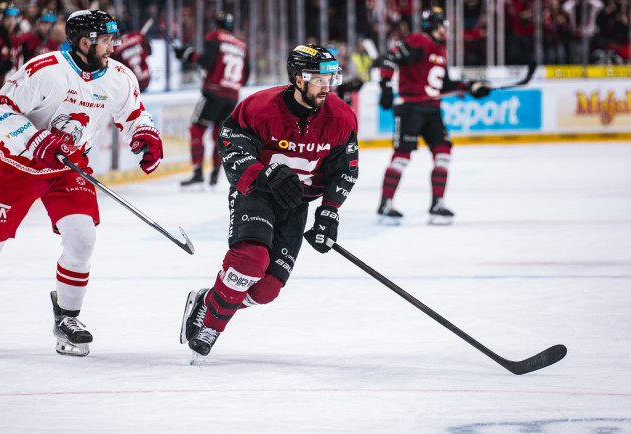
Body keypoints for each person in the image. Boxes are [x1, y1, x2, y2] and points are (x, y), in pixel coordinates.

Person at [0, 9, 164, 357]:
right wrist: (34, 140)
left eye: (112, 38)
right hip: (16, 166)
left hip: (66, 169)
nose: (112, 46)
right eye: (105, 40)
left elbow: (134, 113)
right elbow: (1, 110)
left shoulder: (119, 77)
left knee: (82, 239)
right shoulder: (43, 70)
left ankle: (67, 319)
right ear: (83, 42)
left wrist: (146, 134)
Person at [179, 44, 359, 358]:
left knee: (266, 291)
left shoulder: (341, 117)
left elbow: (344, 170)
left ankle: (210, 301)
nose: (327, 87)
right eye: (319, 79)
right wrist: (264, 175)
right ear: (299, 80)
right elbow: (232, 146)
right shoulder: (260, 107)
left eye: (331, 79)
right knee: (250, 261)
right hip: (256, 194)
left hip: (297, 205)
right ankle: (211, 327)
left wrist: (329, 213)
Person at [376, 6, 490, 225]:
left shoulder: (439, 50)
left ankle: (437, 204)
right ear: (436, 26)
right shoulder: (420, 41)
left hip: (432, 109)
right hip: (410, 108)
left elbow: (445, 84)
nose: (446, 30)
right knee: (402, 156)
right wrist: (386, 86)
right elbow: (390, 57)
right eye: (443, 26)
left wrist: (471, 87)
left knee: (443, 152)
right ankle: (385, 204)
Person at [174, 11, 250, 187]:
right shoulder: (242, 46)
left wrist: (189, 55)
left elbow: (206, 61)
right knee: (219, 134)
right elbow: (245, 77)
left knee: (197, 129)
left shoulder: (214, 36)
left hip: (214, 93)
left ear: (216, 24)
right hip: (232, 97)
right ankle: (215, 173)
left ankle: (198, 172)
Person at [111, 28, 152, 92]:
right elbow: (150, 52)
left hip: (131, 85)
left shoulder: (114, 48)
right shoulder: (139, 35)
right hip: (146, 79)